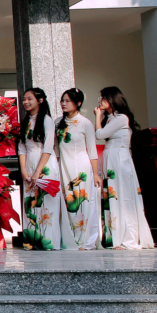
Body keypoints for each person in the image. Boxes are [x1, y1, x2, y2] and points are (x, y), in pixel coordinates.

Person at [94, 87, 155, 250]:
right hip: (110, 158)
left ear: (112, 99)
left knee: (124, 196)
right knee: (112, 197)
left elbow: (99, 135)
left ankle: (128, 238)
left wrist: (97, 116)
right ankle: (114, 237)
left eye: (103, 98)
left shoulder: (121, 118)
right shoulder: (110, 118)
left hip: (119, 159)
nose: (100, 101)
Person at [55, 88, 102, 250]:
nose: (64, 103)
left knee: (83, 202)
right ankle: (71, 239)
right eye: (62, 100)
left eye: (68, 101)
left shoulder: (85, 123)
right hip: (63, 167)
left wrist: (96, 173)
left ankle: (87, 239)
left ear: (78, 103)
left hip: (82, 168)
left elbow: (92, 150)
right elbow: (56, 149)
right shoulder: (58, 122)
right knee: (67, 202)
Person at [17, 88, 61, 251]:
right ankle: (32, 241)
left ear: (40, 100)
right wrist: (23, 169)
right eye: (24, 99)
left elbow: (48, 148)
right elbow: (22, 148)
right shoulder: (25, 121)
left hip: (45, 165)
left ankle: (48, 241)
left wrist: (38, 171)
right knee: (30, 203)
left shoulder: (47, 120)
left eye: (29, 99)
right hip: (29, 164)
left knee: (47, 204)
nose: (25, 102)